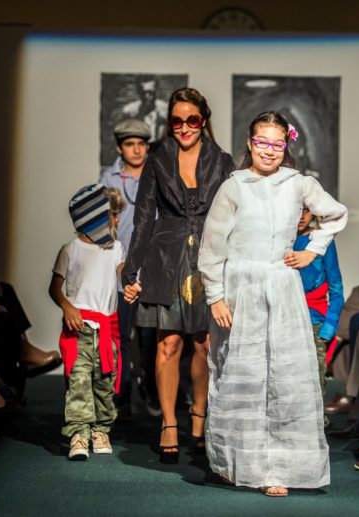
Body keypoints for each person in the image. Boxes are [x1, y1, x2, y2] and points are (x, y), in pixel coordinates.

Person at [198, 111, 347, 496]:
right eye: (261, 142)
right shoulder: (234, 186)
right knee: (242, 375)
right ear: (250, 144)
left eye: (276, 143)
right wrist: (215, 296)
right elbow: (212, 247)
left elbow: (335, 214)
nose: (268, 150)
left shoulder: (297, 183)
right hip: (241, 289)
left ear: (286, 145)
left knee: (281, 376)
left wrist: (313, 250)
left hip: (280, 288)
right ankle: (238, 462)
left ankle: (278, 468)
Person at [122, 87, 234, 464]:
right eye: (176, 121)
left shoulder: (223, 161)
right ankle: (169, 423)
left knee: (204, 344)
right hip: (165, 258)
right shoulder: (157, 159)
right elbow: (143, 217)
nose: (184, 127)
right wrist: (131, 268)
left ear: (204, 120)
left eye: (192, 119)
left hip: (208, 257)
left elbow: (234, 217)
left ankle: (199, 417)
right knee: (167, 344)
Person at [48, 184, 125, 461]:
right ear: (94, 216)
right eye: (112, 214)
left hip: (106, 331)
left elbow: (123, 274)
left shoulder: (116, 249)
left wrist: (131, 283)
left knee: (104, 382)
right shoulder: (71, 250)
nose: (117, 220)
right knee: (78, 381)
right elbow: (54, 288)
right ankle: (79, 433)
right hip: (78, 329)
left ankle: (100, 430)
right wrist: (67, 306)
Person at [99, 118, 158, 417]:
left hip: (151, 269)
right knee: (120, 335)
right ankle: (121, 394)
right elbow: (101, 223)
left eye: (141, 144)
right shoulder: (108, 179)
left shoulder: (158, 173)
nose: (136, 149)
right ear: (120, 147)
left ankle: (151, 389)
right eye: (130, 144)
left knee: (150, 337)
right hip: (120, 270)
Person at [294, 206, 344, 393]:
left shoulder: (322, 241)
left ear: (314, 212)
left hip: (314, 321)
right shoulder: (280, 241)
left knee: (314, 384)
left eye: (306, 210)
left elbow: (336, 288)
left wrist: (328, 329)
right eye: (297, 208)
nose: (301, 215)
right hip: (283, 320)